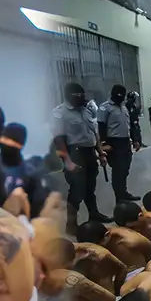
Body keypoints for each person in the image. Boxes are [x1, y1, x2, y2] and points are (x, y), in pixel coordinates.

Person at [53, 82, 111, 232]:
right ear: (70, 96)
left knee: (90, 188)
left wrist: (100, 152)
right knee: (77, 190)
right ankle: (71, 225)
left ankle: (94, 215)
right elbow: (59, 140)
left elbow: (94, 133)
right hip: (74, 153)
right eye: (79, 96)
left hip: (89, 152)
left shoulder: (86, 110)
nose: (82, 99)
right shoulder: (60, 113)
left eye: (83, 96)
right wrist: (68, 162)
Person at [0, 122, 55, 219]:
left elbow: (35, 207)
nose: (6, 143)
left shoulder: (29, 174)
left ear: (21, 145)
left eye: (11, 140)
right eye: (4, 138)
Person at [98, 84, 138, 202]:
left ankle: (124, 192)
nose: (120, 97)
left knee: (125, 169)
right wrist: (104, 143)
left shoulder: (124, 107)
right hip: (113, 142)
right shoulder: (104, 108)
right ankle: (119, 198)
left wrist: (134, 140)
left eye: (122, 95)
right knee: (118, 171)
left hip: (125, 142)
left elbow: (128, 125)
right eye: (118, 95)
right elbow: (101, 126)